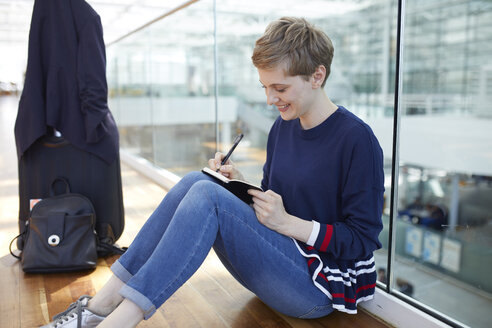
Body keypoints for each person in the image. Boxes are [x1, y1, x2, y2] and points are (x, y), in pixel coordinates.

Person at [42, 16, 384, 328]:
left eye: (279, 88)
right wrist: (237, 184)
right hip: (281, 263)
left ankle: (117, 322)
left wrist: (288, 224)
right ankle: (99, 308)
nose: (270, 99)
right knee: (199, 180)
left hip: (317, 290)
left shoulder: (357, 140)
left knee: (207, 195)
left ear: (317, 76)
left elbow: (362, 239)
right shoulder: (284, 126)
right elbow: (275, 200)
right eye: (264, 87)